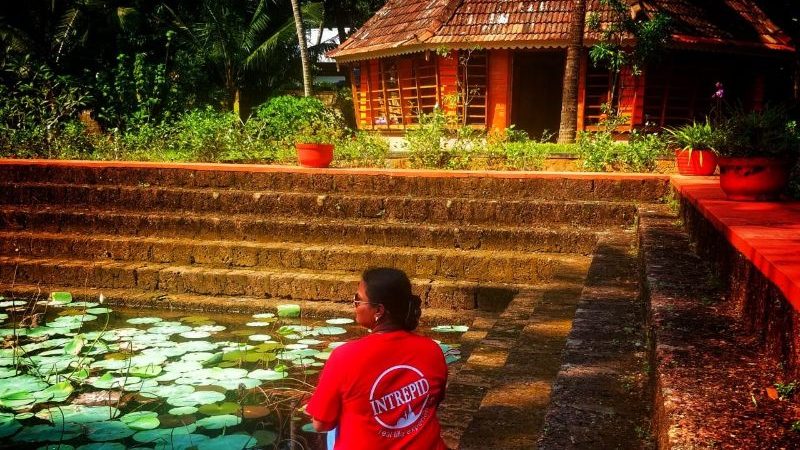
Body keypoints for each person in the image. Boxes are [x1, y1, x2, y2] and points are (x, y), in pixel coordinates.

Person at [306, 268, 449, 450]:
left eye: (358, 300)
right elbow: (432, 402)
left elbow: (321, 424)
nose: (354, 304)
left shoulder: (345, 357)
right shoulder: (432, 350)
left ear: (379, 310)